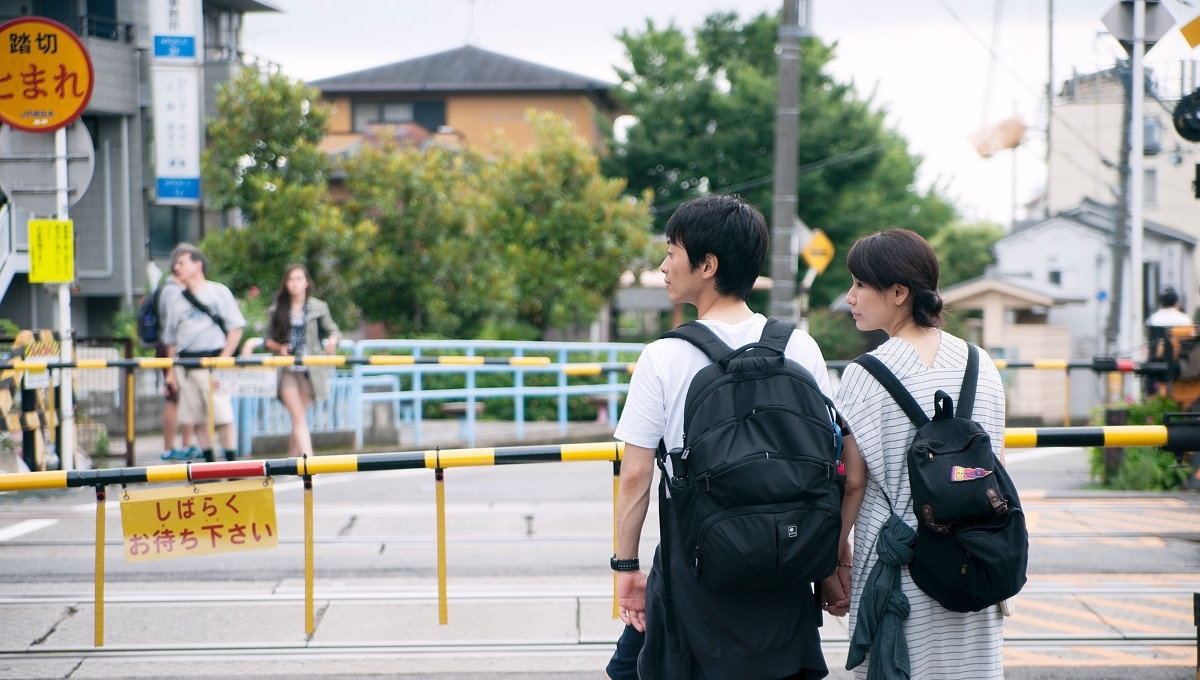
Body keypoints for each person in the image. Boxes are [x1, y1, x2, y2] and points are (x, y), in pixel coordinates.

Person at [609, 194, 838, 680]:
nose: (664, 264)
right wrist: (829, 560)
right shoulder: (799, 345)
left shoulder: (663, 357)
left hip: (699, 576)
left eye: (672, 251)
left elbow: (635, 477)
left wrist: (625, 567)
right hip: (788, 564)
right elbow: (831, 464)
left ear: (707, 264)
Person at [825, 228, 1006, 679]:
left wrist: (834, 554)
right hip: (975, 555)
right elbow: (993, 462)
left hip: (898, 563)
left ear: (899, 292)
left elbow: (854, 482)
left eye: (860, 284)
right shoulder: (981, 364)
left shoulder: (865, 374)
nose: (850, 297)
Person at [161, 243, 246, 463]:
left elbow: (235, 327)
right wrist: (171, 372)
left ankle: (231, 461)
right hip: (186, 365)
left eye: (181, 262)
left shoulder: (218, 292)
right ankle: (210, 462)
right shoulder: (175, 300)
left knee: (222, 415)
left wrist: (224, 358)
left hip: (213, 361)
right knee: (195, 416)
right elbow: (170, 340)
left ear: (197, 265)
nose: (176, 267)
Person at [261, 264, 340, 457]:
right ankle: (309, 461)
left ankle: (290, 461)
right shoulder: (277, 309)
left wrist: (332, 341)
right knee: (298, 416)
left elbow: (333, 330)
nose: (295, 284)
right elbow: (267, 340)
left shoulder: (318, 307)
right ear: (285, 283)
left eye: (299, 279)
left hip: (308, 370)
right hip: (286, 369)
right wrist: (280, 347)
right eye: (290, 279)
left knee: (299, 417)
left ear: (306, 282)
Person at [157, 262, 198, 460]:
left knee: (186, 397)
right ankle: (168, 447)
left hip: (181, 349)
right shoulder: (171, 291)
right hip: (172, 349)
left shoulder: (177, 289)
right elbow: (170, 329)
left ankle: (186, 445)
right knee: (173, 397)